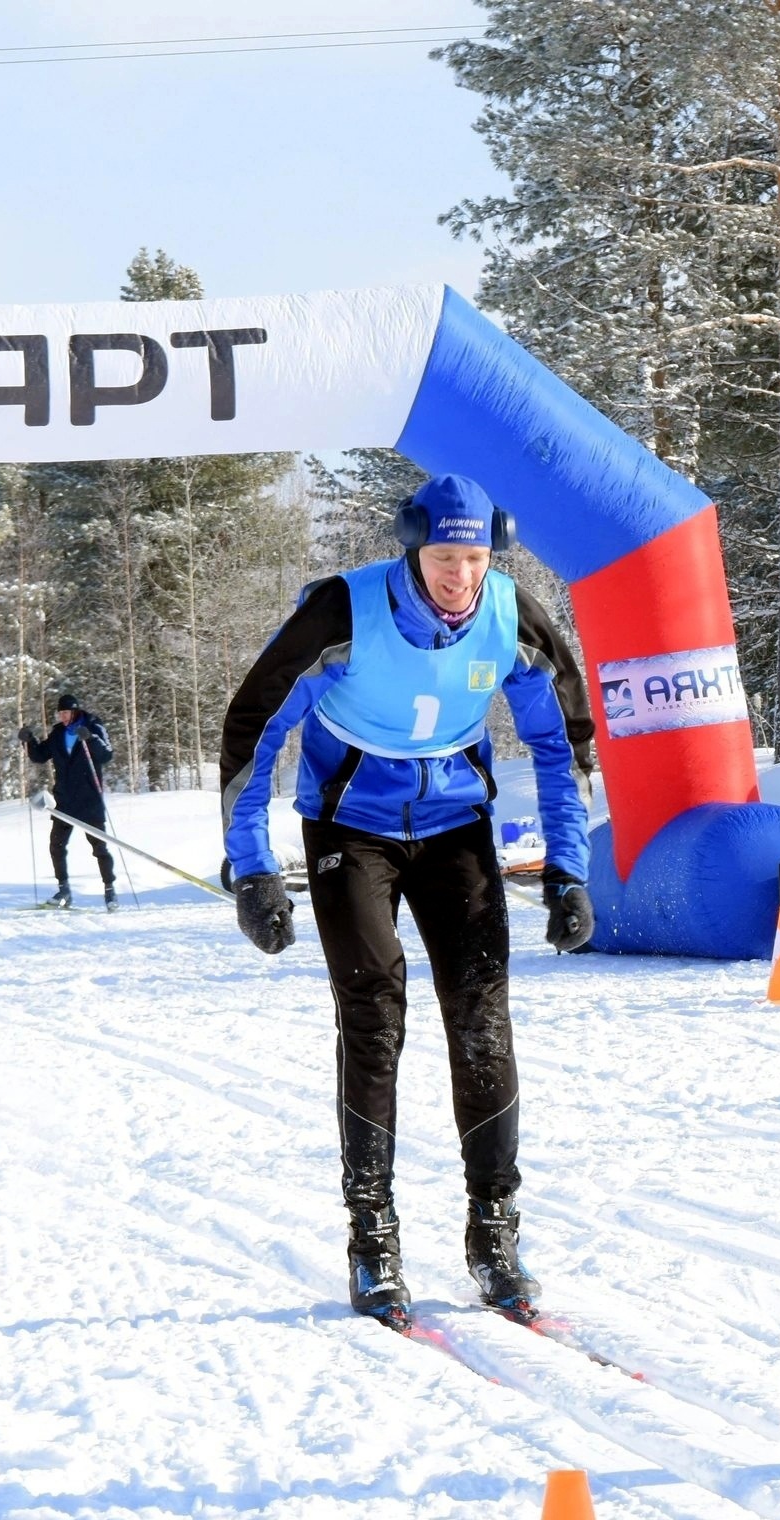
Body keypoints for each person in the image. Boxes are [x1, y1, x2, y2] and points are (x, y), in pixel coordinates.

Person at [217, 473, 596, 1330]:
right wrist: (251, 866)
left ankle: (494, 1230)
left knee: (481, 1011)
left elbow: (559, 739)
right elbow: (254, 730)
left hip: (455, 822)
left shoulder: (511, 614)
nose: (460, 576)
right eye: (443, 557)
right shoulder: (342, 614)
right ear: (411, 548)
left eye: (473, 557)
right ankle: (372, 1236)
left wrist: (569, 868)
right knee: (374, 1008)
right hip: (349, 826)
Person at [18, 693, 117, 909]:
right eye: (60, 713)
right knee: (57, 846)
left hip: (89, 800)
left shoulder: (93, 725)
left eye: (66, 713)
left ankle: (110, 891)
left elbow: (107, 755)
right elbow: (40, 756)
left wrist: (89, 738)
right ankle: (64, 890)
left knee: (99, 848)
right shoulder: (58, 733)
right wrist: (29, 741)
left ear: (75, 711)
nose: (63, 717)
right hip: (65, 800)